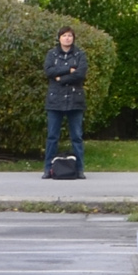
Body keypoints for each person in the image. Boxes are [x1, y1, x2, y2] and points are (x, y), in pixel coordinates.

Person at [43, 26, 88, 174]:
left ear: (73, 38)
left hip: (75, 100)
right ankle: (48, 168)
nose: (67, 38)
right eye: (64, 36)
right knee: (52, 136)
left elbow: (80, 74)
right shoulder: (52, 54)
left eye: (69, 35)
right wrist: (68, 70)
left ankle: (79, 169)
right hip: (55, 100)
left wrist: (60, 79)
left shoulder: (80, 54)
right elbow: (49, 71)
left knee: (77, 137)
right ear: (59, 38)